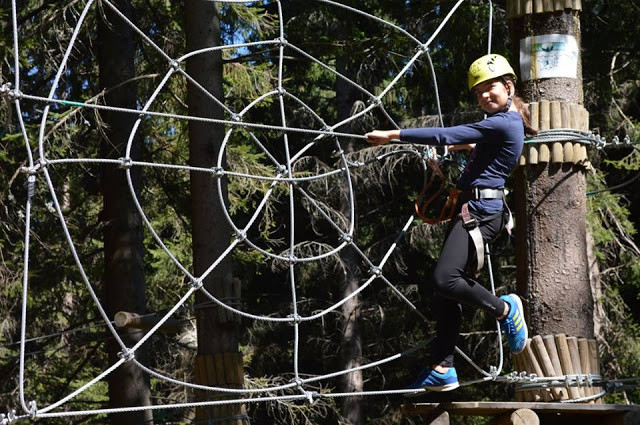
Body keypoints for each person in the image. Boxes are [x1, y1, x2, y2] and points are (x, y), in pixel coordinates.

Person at [365, 54, 537, 392]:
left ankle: (505, 310)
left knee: (446, 279)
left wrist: (392, 134)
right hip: (475, 208)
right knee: (447, 293)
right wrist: (461, 147)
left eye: (492, 88)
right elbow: (474, 141)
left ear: (508, 86)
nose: (486, 95)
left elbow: (448, 133)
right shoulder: (505, 122)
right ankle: (443, 367)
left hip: (482, 211)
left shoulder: (504, 122)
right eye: (479, 92)